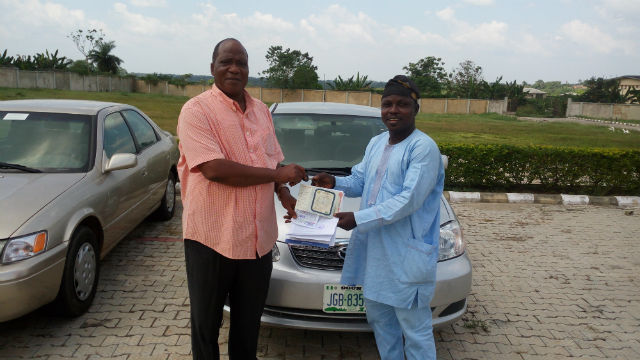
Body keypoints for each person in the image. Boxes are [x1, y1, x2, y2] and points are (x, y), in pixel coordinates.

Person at [176, 38, 307, 360]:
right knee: (206, 326)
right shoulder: (196, 111)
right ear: (213, 68)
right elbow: (214, 169)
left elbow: (271, 159)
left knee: (249, 326)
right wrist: (278, 177)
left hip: (257, 240)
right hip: (211, 240)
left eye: (241, 63)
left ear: (248, 70)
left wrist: (284, 191)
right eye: (226, 62)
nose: (234, 68)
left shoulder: (262, 111)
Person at [312, 75, 444, 360]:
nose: (393, 110)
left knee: (415, 330)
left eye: (402, 104)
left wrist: (359, 219)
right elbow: (360, 179)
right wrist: (334, 181)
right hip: (375, 256)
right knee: (381, 323)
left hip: (405, 257)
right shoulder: (376, 143)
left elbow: (408, 200)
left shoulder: (423, 148)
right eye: (387, 104)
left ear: (415, 108)